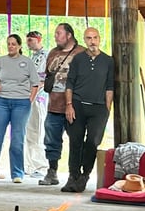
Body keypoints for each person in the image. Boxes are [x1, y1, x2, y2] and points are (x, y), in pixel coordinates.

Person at [63, 26, 114, 193]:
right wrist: (69, 105)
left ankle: (85, 174)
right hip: (78, 104)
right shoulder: (78, 59)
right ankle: (73, 176)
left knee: (93, 141)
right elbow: (69, 83)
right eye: (89, 38)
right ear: (84, 40)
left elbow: (110, 86)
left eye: (95, 38)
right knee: (75, 140)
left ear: (99, 39)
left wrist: (107, 109)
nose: (92, 41)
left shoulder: (108, 61)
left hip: (99, 107)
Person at [0, 34, 35, 183]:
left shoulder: (27, 62)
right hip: (2, 101)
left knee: (17, 138)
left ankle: (17, 173)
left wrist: (29, 99)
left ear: (19, 46)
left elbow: (35, 84)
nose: (11, 46)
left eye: (14, 44)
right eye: (9, 44)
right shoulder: (0, 61)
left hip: (21, 102)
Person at [40, 22, 84, 187]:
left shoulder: (81, 53)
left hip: (74, 106)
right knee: (51, 139)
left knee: (76, 140)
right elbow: (48, 74)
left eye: (59, 33)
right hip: (54, 105)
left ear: (69, 35)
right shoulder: (52, 53)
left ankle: (75, 174)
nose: (56, 36)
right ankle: (52, 171)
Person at [24, 29, 48, 177]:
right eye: (27, 40)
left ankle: (40, 165)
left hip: (39, 98)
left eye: (31, 40)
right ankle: (30, 164)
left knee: (37, 131)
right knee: (29, 132)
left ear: (39, 39)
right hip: (28, 96)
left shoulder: (46, 56)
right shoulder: (32, 57)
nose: (28, 43)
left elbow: (42, 79)